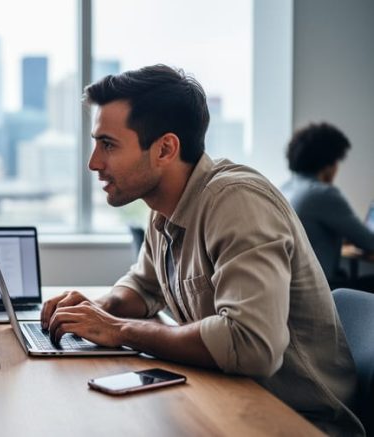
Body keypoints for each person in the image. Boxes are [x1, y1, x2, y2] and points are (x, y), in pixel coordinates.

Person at [40, 65, 362, 436]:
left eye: (108, 144)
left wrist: (120, 330)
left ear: (165, 149)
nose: (93, 162)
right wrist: (100, 308)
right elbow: (144, 286)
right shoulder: (165, 209)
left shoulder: (236, 201)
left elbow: (250, 343)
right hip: (228, 397)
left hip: (299, 420)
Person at [280, 122, 374, 291]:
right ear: (328, 165)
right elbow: (369, 242)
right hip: (319, 289)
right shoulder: (322, 194)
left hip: (289, 286)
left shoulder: (286, 188)